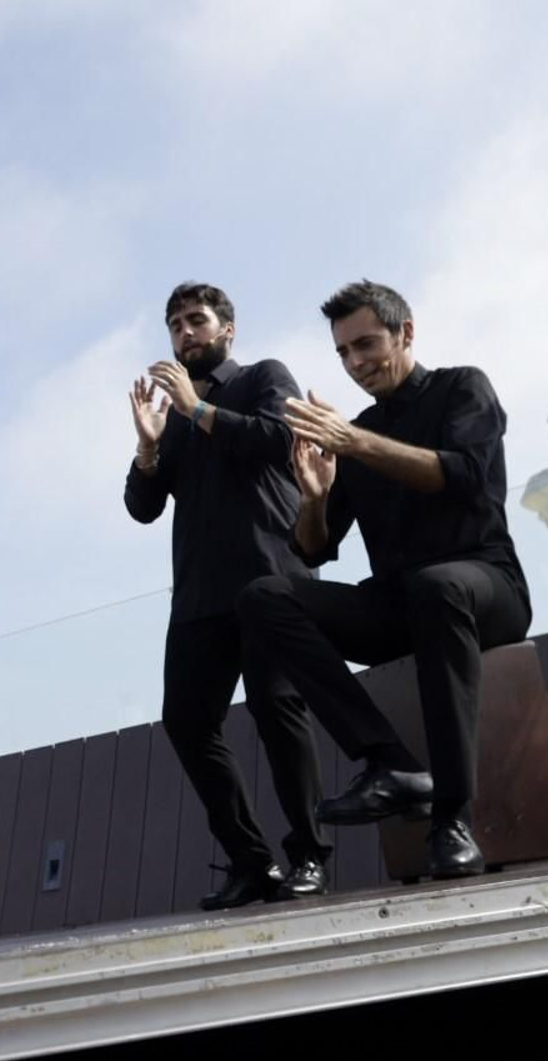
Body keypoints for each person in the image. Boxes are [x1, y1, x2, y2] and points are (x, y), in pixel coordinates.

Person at [237, 279, 531, 878]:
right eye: (343, 353)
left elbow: (463, 477)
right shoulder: (354, 436)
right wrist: (316, 497)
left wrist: (354, 441)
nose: (355, 363)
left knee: (438, 587)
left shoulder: (462, 387)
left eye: (366, 344)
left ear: (407, 332)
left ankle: (452, 819)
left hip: (487, 586)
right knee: (263, 595)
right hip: (399, 602)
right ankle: (387, 759)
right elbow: (314, 544)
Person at [125, 282, 331, 908]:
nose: (186, 333)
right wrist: (149, 446)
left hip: (271, 579)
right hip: (197, 597)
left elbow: (276, 439)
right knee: (186, 721)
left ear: (227, 330)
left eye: (197, 320)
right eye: (175, 325)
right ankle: (251, 861)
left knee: (278, 711)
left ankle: (310, 857)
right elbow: (142, 508)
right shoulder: (175, 420)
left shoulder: (264, 376)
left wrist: (198, 410)